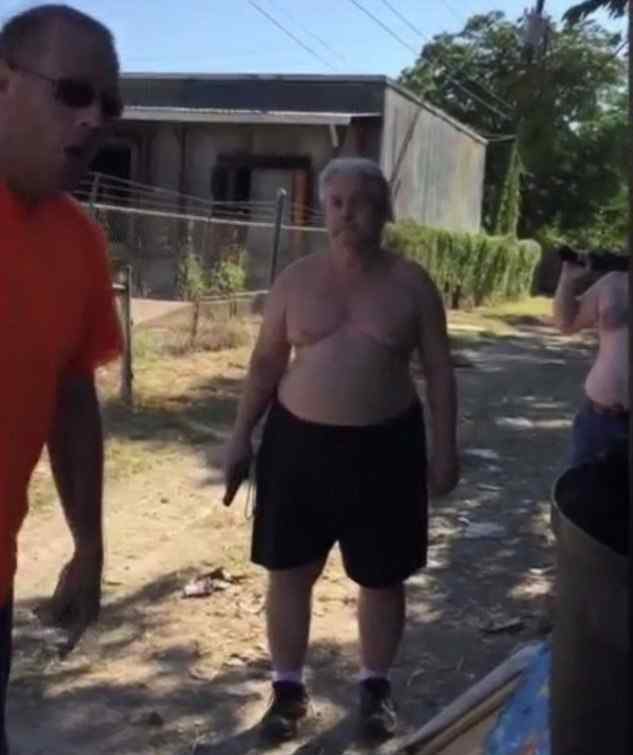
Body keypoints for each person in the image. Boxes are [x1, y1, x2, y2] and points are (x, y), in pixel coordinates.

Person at [224, 157, 459, 741]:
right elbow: (265, 364)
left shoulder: (412, 284)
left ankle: (375, 689)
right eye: (337, 202)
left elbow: (439, 371)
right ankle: (287, 692)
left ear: (384, 212)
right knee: (289, 572)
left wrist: (445, 448)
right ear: (324, 209)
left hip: (387, 447)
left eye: (363, 203)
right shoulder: (296, 280)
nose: (348, 213)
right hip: (297, 445)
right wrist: (240, 435)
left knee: (382, 578)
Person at [0, 6, 123, 752]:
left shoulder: (79, 243)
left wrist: (89, 543)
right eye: (73, 92)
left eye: (109, 106)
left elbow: (72, 401)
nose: (94, 119)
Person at [553, 260, 628, 467]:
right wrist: (567, 280)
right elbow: (566, 323)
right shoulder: (612, 283)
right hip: (600, 419)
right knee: (581, 487)